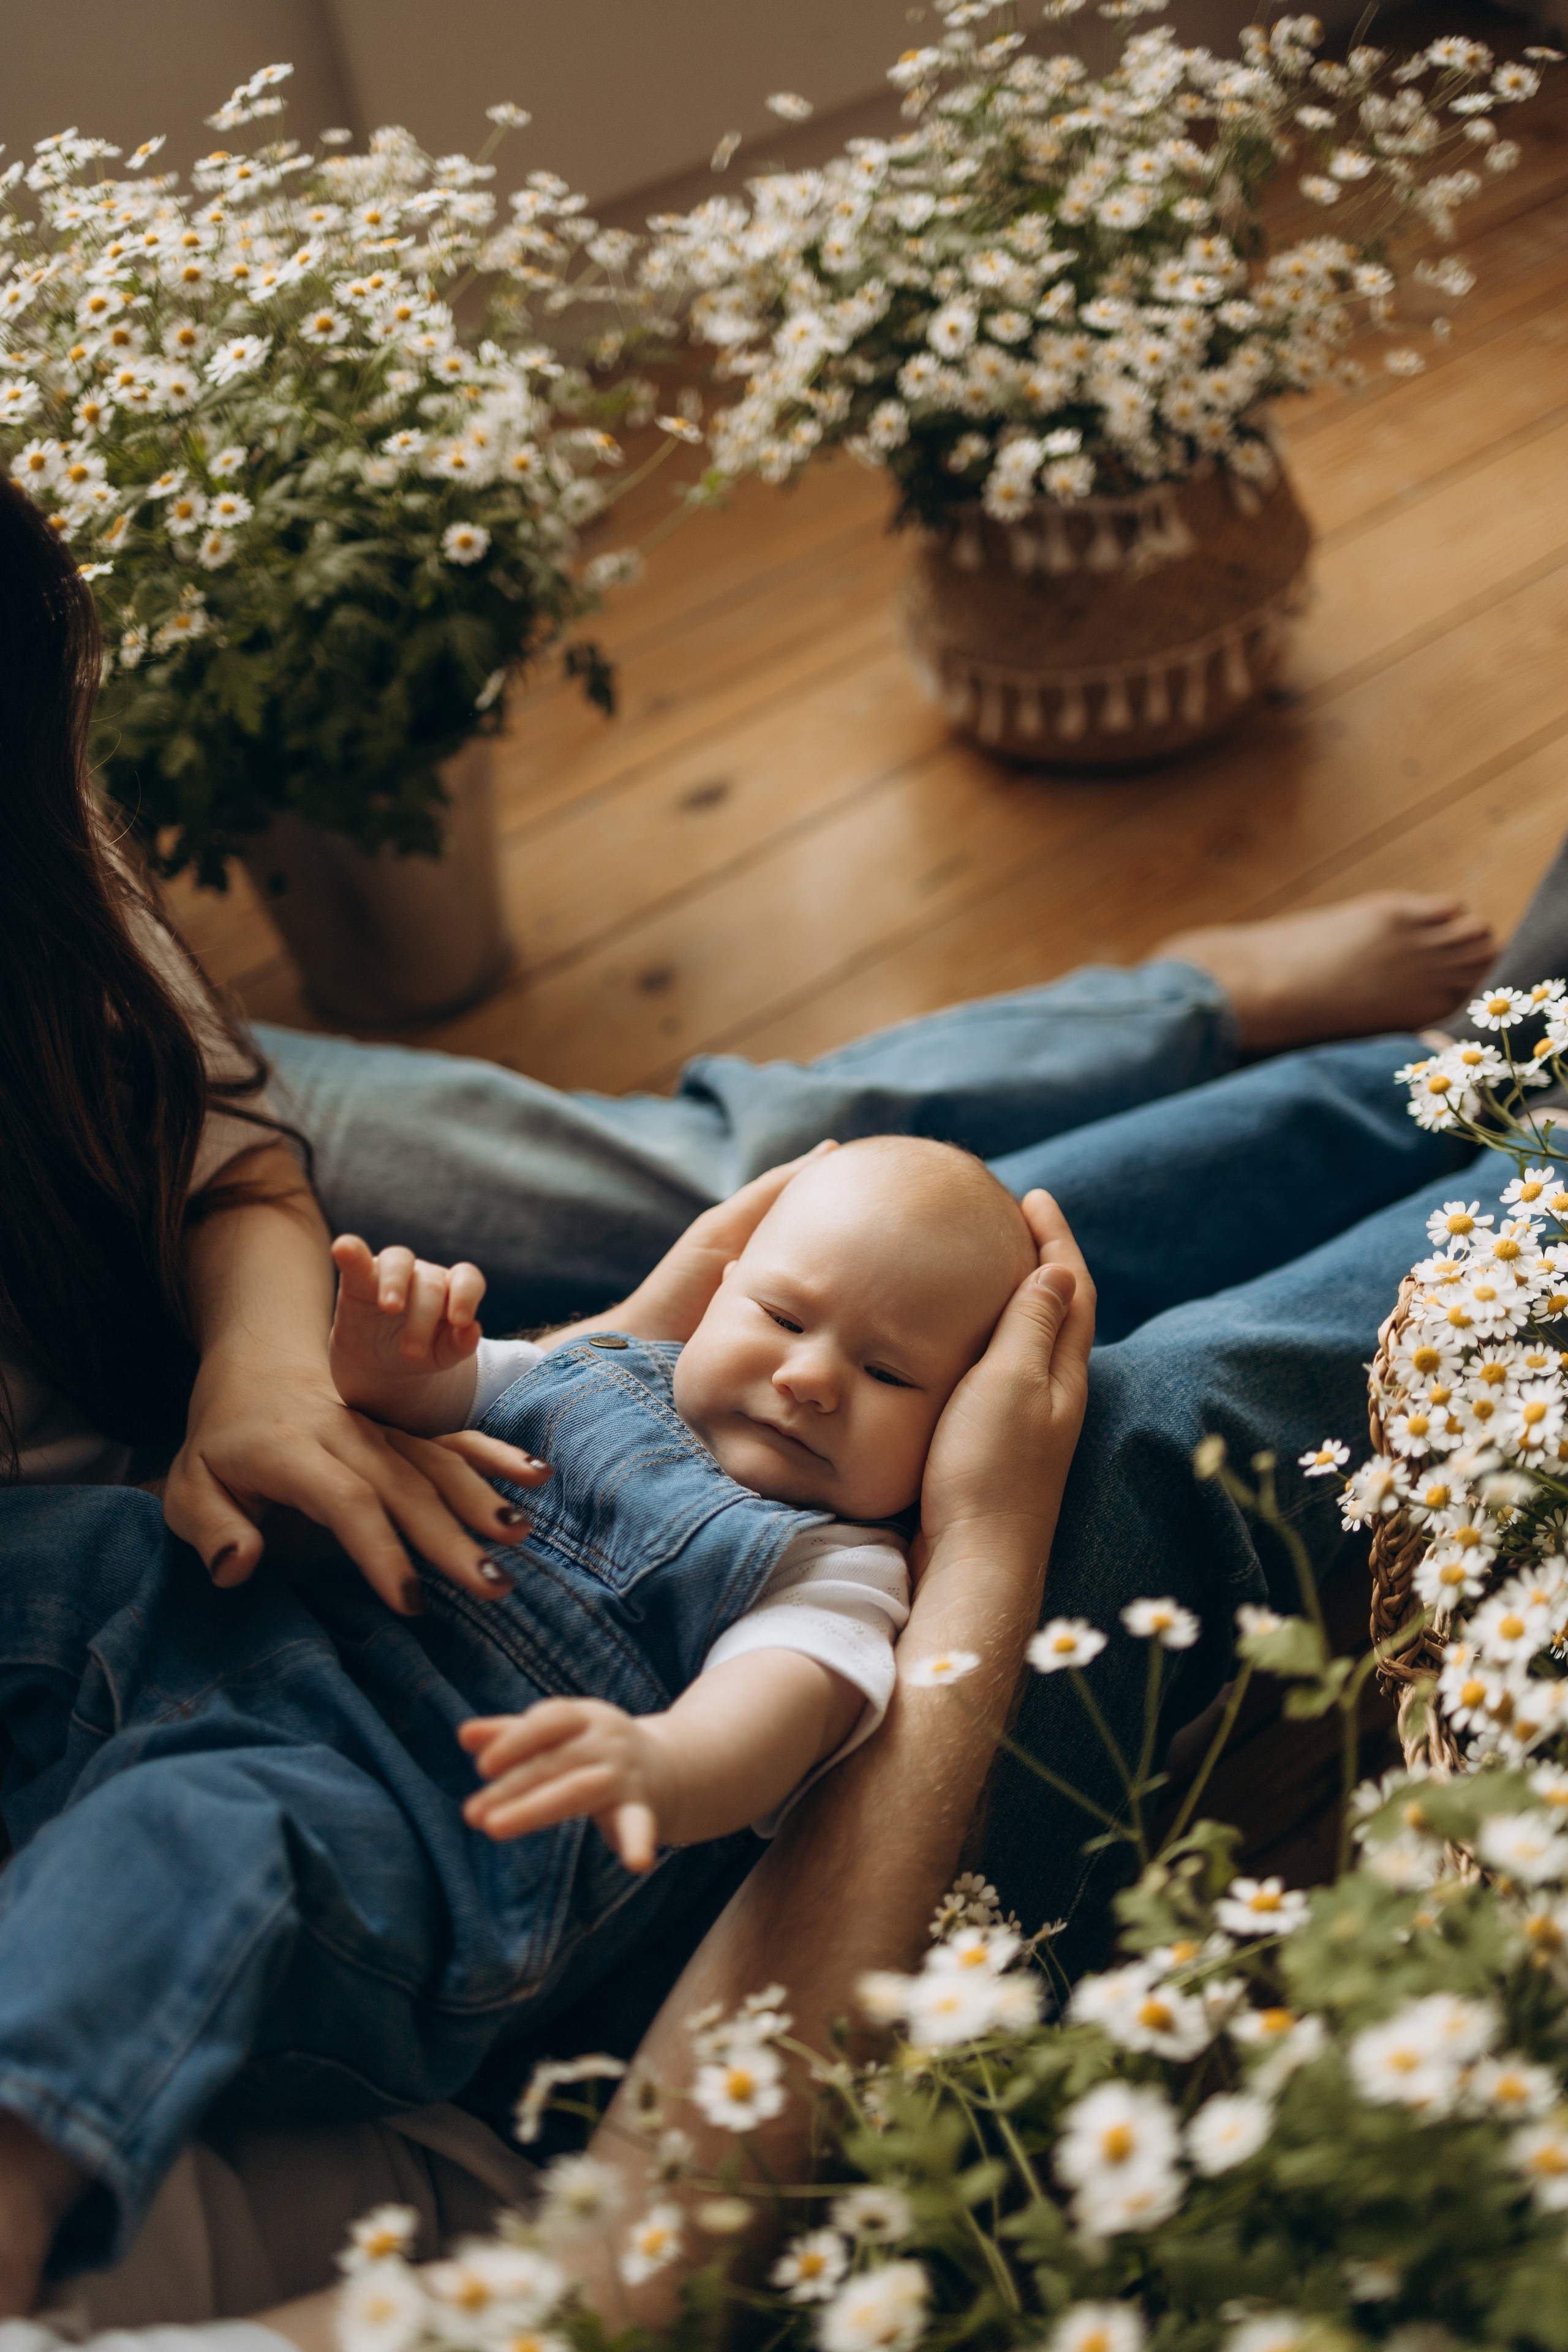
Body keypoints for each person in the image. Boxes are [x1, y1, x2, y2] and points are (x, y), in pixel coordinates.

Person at [0, 456, 1523, 2305]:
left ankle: (1472, 1059)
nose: (800, 1383)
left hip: (210, 1635)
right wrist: (797, 1653)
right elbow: (781, 1728)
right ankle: (1499, 1123)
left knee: (861, 1202)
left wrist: (355, 1359)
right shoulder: (846, 1570)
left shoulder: (737, 1435)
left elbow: (507, 1363)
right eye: (780, 1329)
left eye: (865, 1376)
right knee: (1136, 1388)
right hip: (435, 1882)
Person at [329, 1139, 1038, 1868]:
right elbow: (425, 1404)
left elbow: (773, 1710)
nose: (808, 1377)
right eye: (783, 1318)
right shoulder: (595, 1364)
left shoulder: (840, 1569)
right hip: (297, 1663)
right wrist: (386, 1360)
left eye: (887, 1373)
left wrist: (664, 1763)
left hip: (455, 1831)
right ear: (720, 1292)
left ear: (958, 1420)